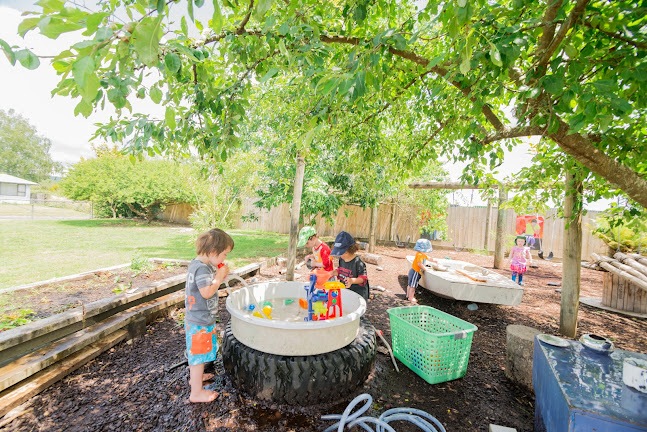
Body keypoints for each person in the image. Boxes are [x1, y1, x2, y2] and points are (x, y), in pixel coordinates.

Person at [185, 228, 234, 403]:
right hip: (199, 322)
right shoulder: (203, 270)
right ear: (213, 252)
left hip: (196, 319)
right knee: (198, 357)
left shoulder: (197, 264)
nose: (224, 259)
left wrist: (217, 273)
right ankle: (196, 393)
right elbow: (206, 292)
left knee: (196, 354)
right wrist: (219, 277)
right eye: (224, 254)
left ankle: (195, 379)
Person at [330, 231, 369, 300]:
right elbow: (341, 271)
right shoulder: (342, 259)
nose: (342, 255)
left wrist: (352, 281)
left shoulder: (358, 262)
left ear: (351, 249)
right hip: (347, 291)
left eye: (344, 253)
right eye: (340, 253)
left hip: (358, 294)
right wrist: (333, 272)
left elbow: (363, 279)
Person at [407, 239, 433, 303]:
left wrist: (432, 260)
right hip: (416, 272)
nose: (427, 252)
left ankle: (408, 295)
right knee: (413, 285)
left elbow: (426, 257)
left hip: (412, 270)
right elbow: (419, 264)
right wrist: (425, 269)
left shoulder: (420, 254)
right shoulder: (420, 255)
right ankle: (411, 297)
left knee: (410, 284)